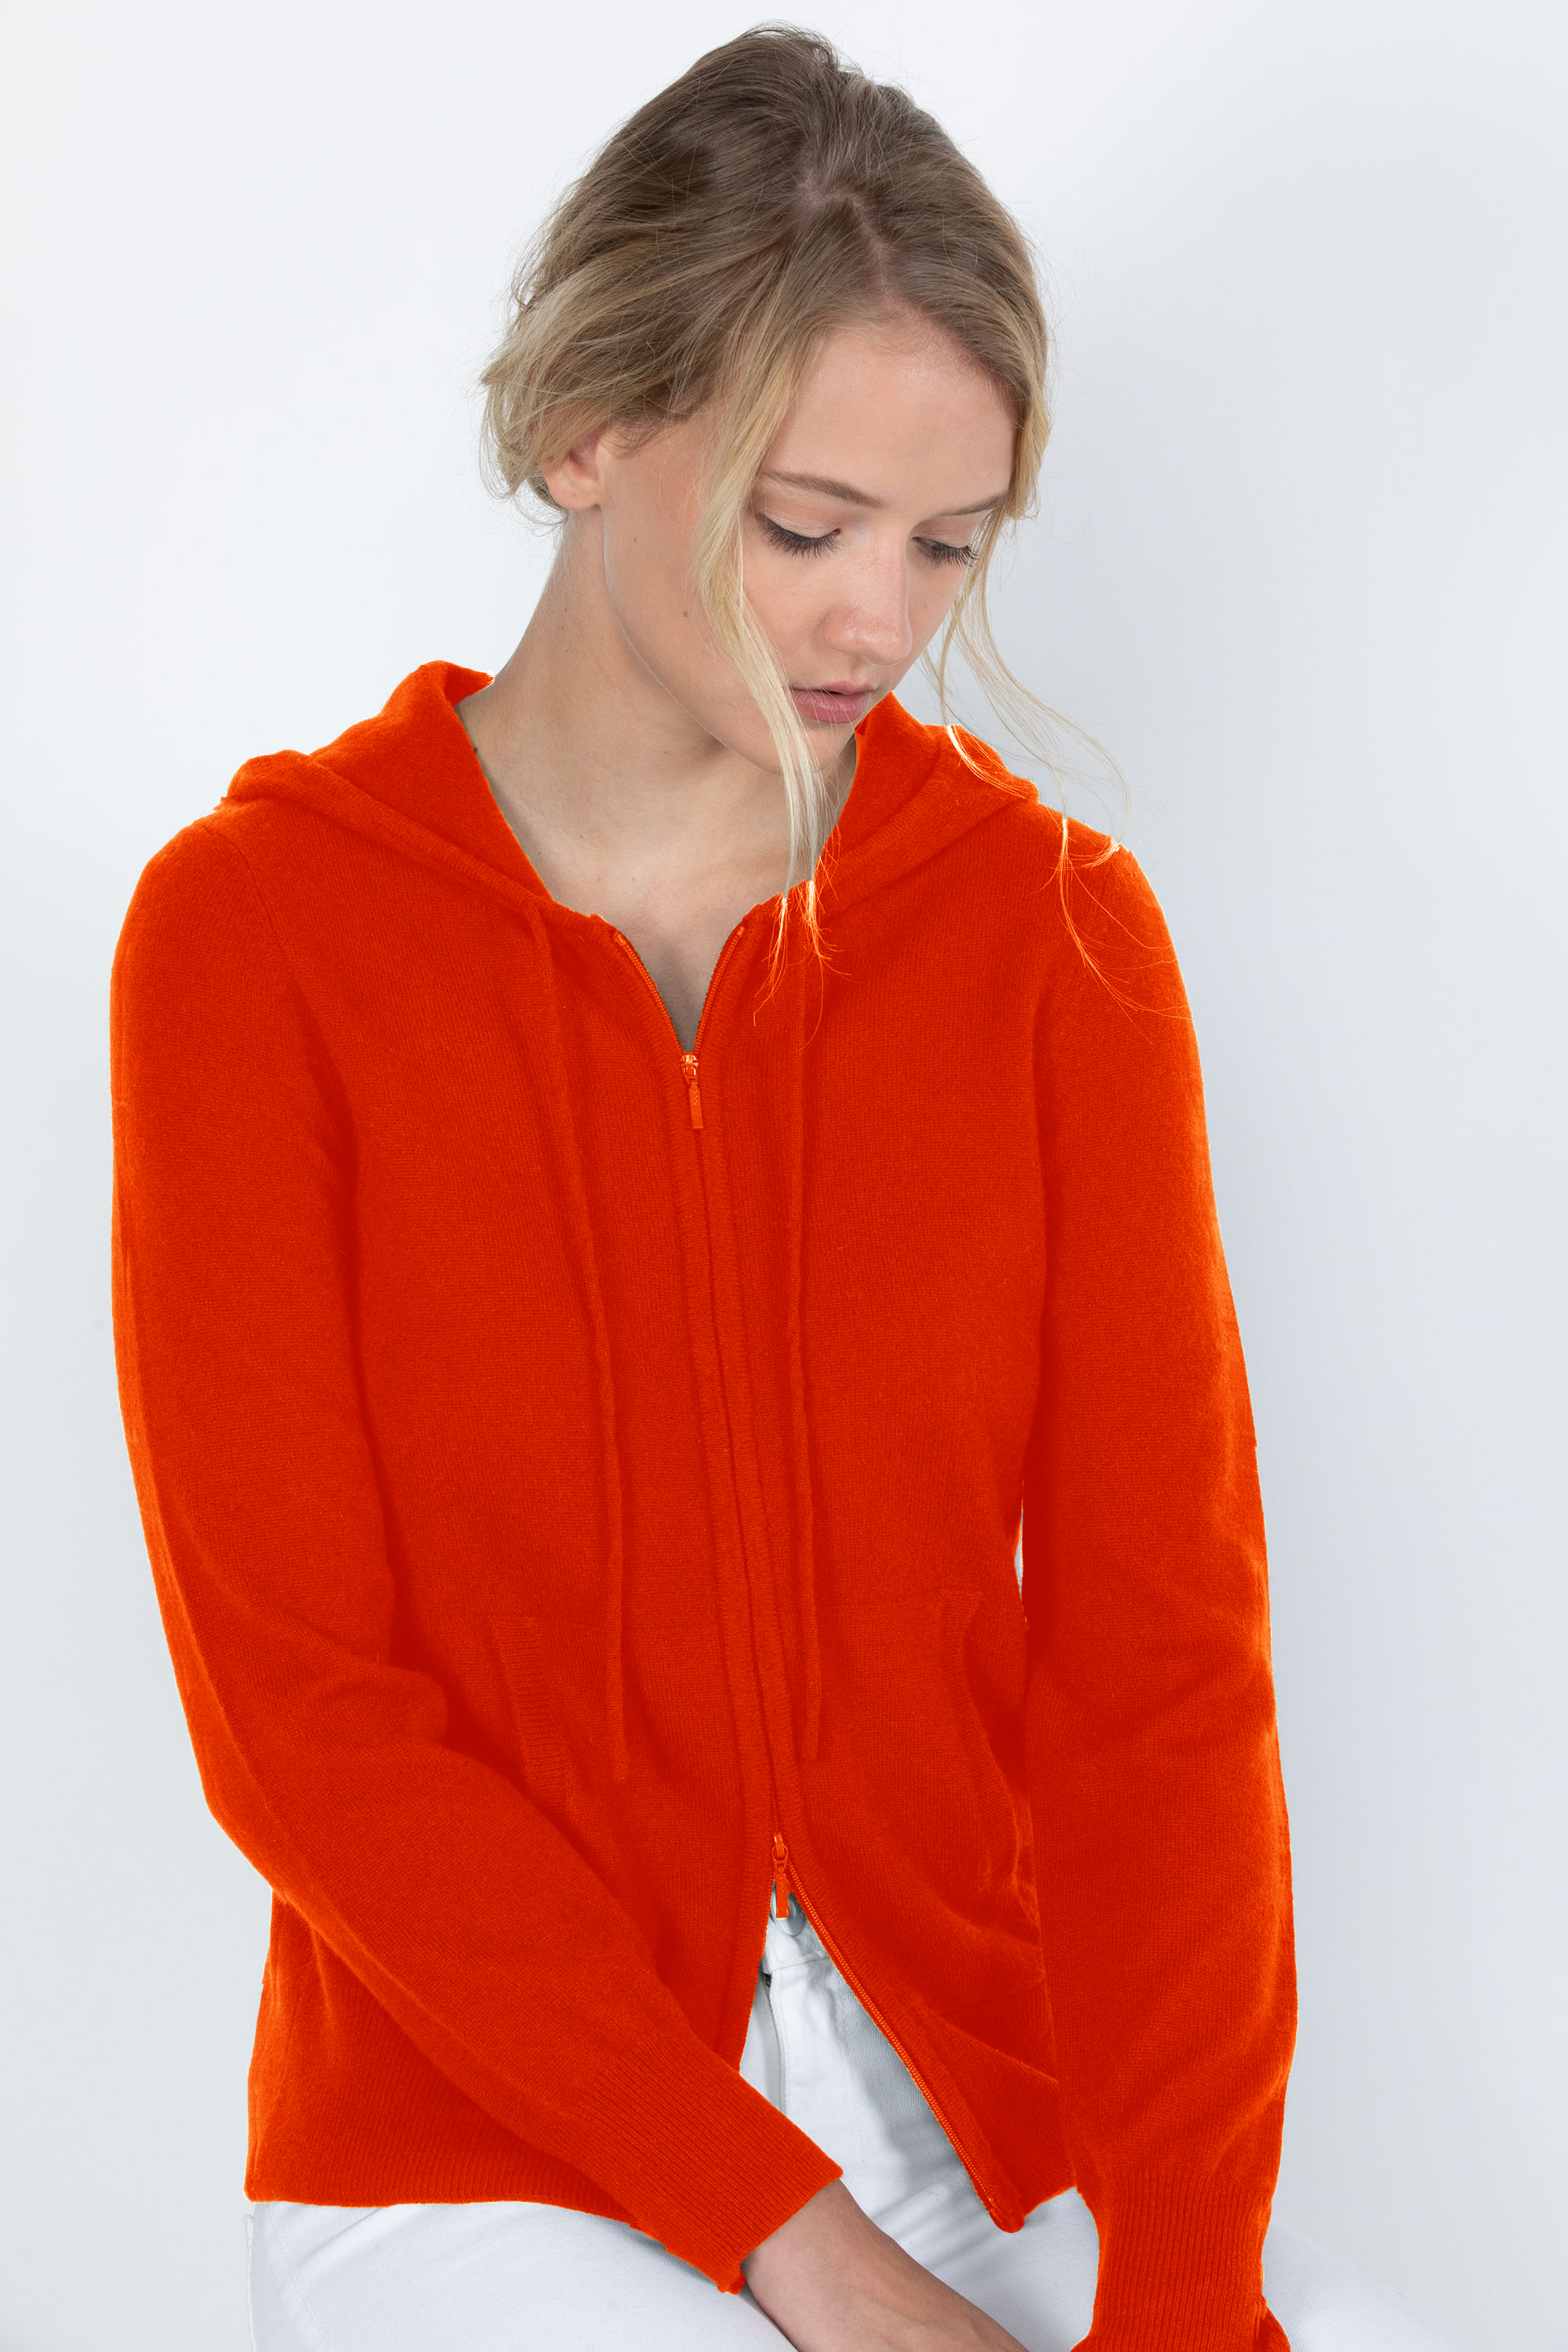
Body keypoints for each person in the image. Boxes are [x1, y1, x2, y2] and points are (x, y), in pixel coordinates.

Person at [109, 25, 1459, 2352]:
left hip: (986, 2123)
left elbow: (1158, 1682)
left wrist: (1187, 2295)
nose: (878, 625)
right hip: (479, 2153)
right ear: (585, 430)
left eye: (950, 545)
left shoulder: (1047, 939)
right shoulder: (262, 936)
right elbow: (305, 1719)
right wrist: (812, 2264)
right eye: (806, 526)